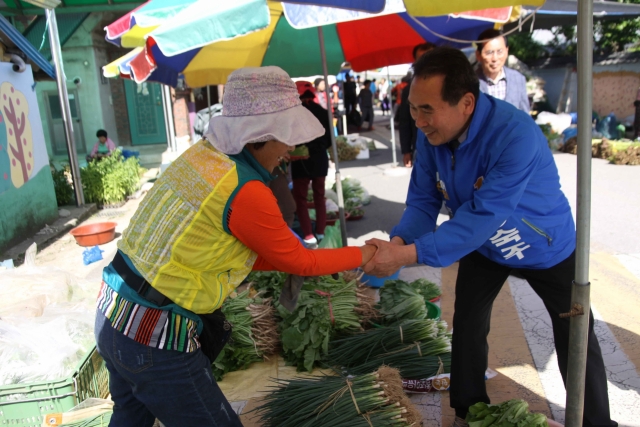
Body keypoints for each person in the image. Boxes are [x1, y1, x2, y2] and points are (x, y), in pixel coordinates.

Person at [94, 66, 377, 427]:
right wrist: (366, 255)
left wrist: (281, 257)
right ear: (259, 134)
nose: (290, 148)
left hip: (114, 312)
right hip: (153, 332)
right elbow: (300, 261)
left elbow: (222, 251)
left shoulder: (203, 158)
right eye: (285, 136)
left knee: (130, 417)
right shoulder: (245, 190)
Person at [363, 47, 617, 427]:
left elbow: (484, 215)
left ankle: (598, 422)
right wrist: (399, 243)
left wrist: (408, 256)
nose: (418, 121)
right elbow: (422, 202)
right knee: (467, 320)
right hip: (484, 246)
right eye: (413, 109)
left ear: (466, 102)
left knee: (575, 333)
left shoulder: (514, 135)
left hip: (546, 245)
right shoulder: (433, 138)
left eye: (427, 109)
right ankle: (469, 410)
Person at [292, 81, 332, 248]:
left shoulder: (293, 115)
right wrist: (317, 148)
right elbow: (330, 140)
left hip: (300, 162)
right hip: (320, 160)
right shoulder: (323, 112)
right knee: (319, 197)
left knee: (300, 199)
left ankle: (309, 235)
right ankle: (321, 232)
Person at [398, 42, 436, 167]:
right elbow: (404, 121)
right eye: (422, 60)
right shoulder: (409, 91)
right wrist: (406, 151)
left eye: (431, 59)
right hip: (421, 149)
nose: (427, 64)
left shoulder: (451, 87)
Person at [475, 28, 530, 113]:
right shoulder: (471, 82)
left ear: (507, 51)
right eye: (489, 53)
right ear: (478, 55)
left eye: (500, 52)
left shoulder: (518, 79)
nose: (495, 58)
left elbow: (525, 118)